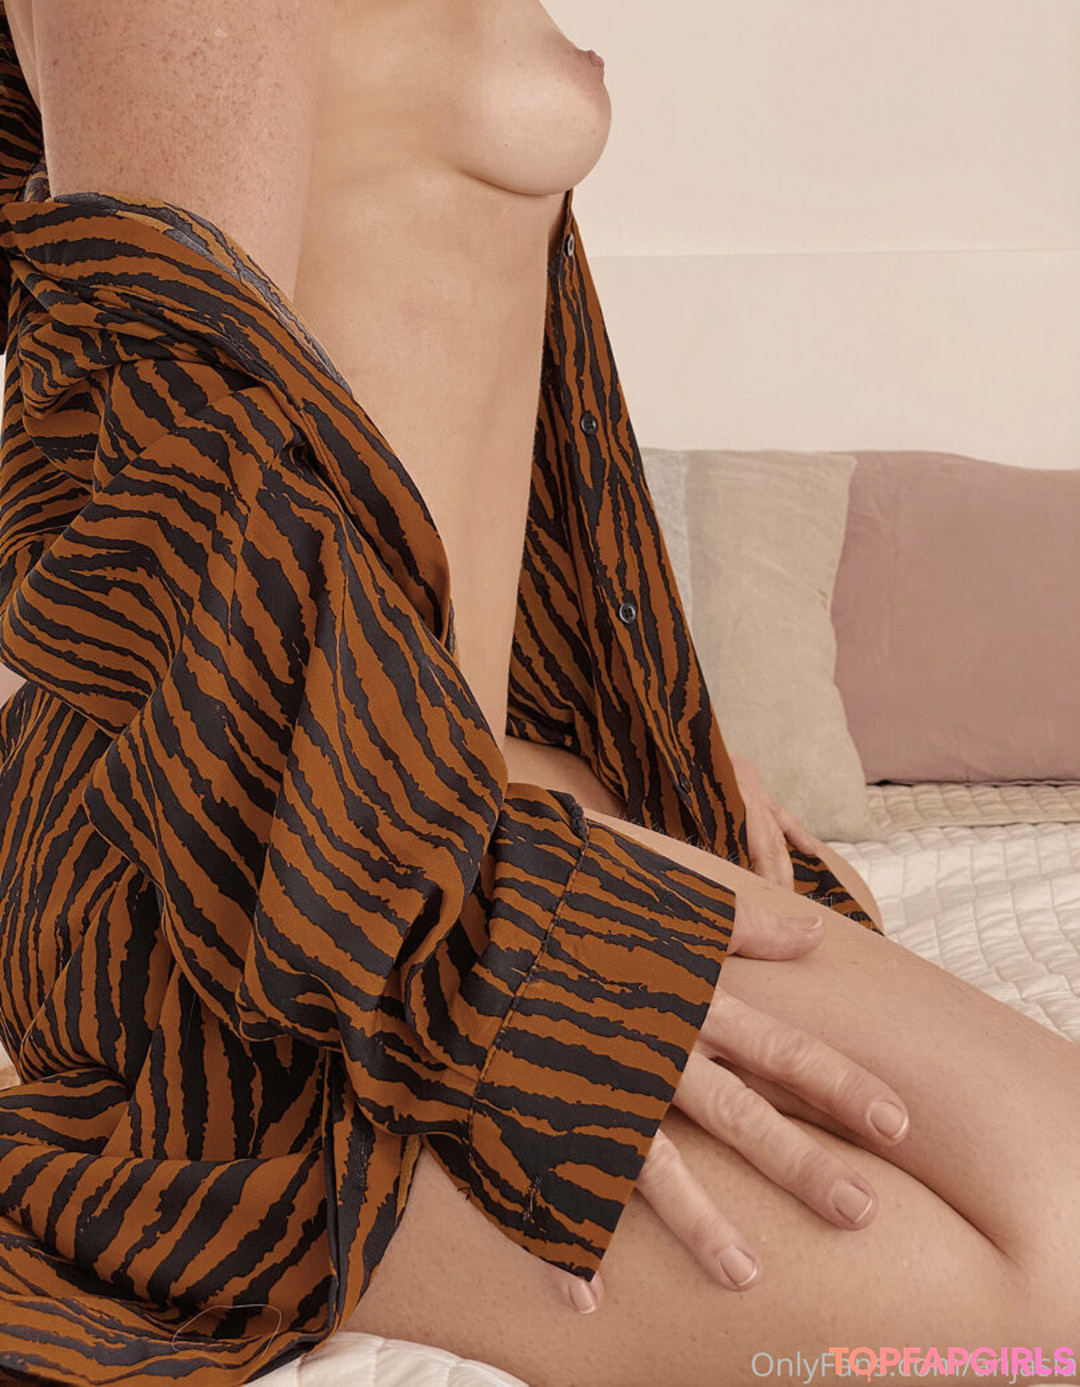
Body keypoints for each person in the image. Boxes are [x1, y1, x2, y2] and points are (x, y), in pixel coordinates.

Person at [0, 4, 1075, 1386]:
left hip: (436, 801)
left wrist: (645, 734)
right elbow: (177, 486)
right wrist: (502, 976)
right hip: (261, 888)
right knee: (1045, 1287)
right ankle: (147, 1154)